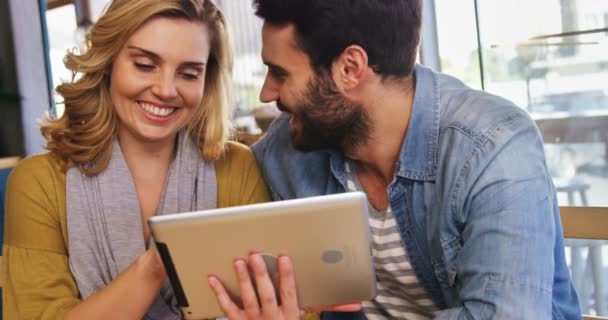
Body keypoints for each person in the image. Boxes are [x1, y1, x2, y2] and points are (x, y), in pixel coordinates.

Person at [208, 0, 583, 319]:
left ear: (350, 68)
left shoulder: (491, 147)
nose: (265, 92)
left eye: (279, 73)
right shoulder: (288, 149)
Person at [2, 1, 272, 319]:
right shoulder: (38, 182)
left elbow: (271, 295)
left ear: (206, 79)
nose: (166, 90)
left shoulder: (236, 167)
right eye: (145, 65)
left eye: (188, 74)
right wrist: (158, 264)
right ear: (108, 62)